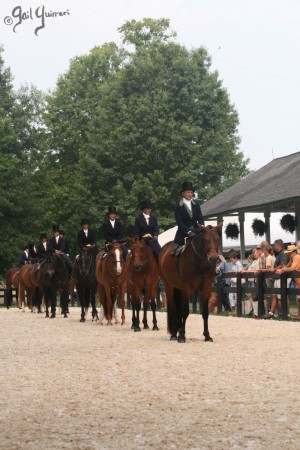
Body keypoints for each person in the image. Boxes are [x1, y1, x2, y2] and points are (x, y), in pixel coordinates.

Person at [173, 181, 205, 255]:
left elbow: (200, 217)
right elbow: (179, 222)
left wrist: (202, 226)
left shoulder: (196, 205)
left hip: (196, 230)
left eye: (191, 192)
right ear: (183, 193)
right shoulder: (177, 207)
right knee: (176, 254)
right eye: (188, 192)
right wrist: (188, 232)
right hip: (184, 232)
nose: (190, 194)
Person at [264, 239, 290, 319]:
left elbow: (283, 265)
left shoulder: (284, 253)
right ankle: (271, 312)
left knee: (282, 296)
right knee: (275, 295)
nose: (274, 247)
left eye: (275, 245)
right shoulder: (280, 253)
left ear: (278, 245)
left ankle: (287, 313)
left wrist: (274, 269)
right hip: (278, 277)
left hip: (282, 277)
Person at [275, 244, 300, 319]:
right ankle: (299, 316)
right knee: (298, 299)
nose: (289, 254)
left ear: (294, 251)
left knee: (299, 299)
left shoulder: (297, 257)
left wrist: (282, 270)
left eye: (290, 252)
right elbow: (287, 266)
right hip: (298, 282)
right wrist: (281, 269)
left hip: (298, 281)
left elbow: (292, 268)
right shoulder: (292, 258)